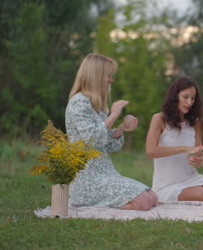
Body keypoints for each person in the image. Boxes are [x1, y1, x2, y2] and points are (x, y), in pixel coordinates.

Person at [66, 53, 157, 211]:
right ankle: (96, 205)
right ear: (97, 76)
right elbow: (93, 139)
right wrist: (114, 114)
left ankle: (110, 203)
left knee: (152, 196)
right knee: (143, 202)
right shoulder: (79, 102)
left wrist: (122, 128)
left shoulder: (96, 105)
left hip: (105, 173)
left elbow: (107, 144)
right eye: (108, 76)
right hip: (86, 178)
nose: (111, 80)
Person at [146, 76, 203, 202]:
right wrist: (185, 149)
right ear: (175, 96)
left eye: (193, 98)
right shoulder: (159, 119)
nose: (189, 102)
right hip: (167, 185)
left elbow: (197, 153)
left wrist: (199, 159)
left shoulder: (196, 123)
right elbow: (150, 151)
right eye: (185, 97)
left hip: (192, 179)